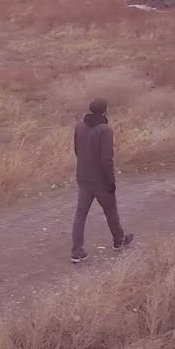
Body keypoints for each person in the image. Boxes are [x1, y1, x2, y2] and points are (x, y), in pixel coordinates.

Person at [70, 98, 133, 263]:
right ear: (105, 111)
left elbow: (77, 150)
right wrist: (110, 181)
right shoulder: (105, 130)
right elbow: (106, 159)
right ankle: (119, 241)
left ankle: (77, 250)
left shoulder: (79, 125)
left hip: (82, 176)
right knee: (110, 209)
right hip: (99, 179)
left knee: (80, 214)